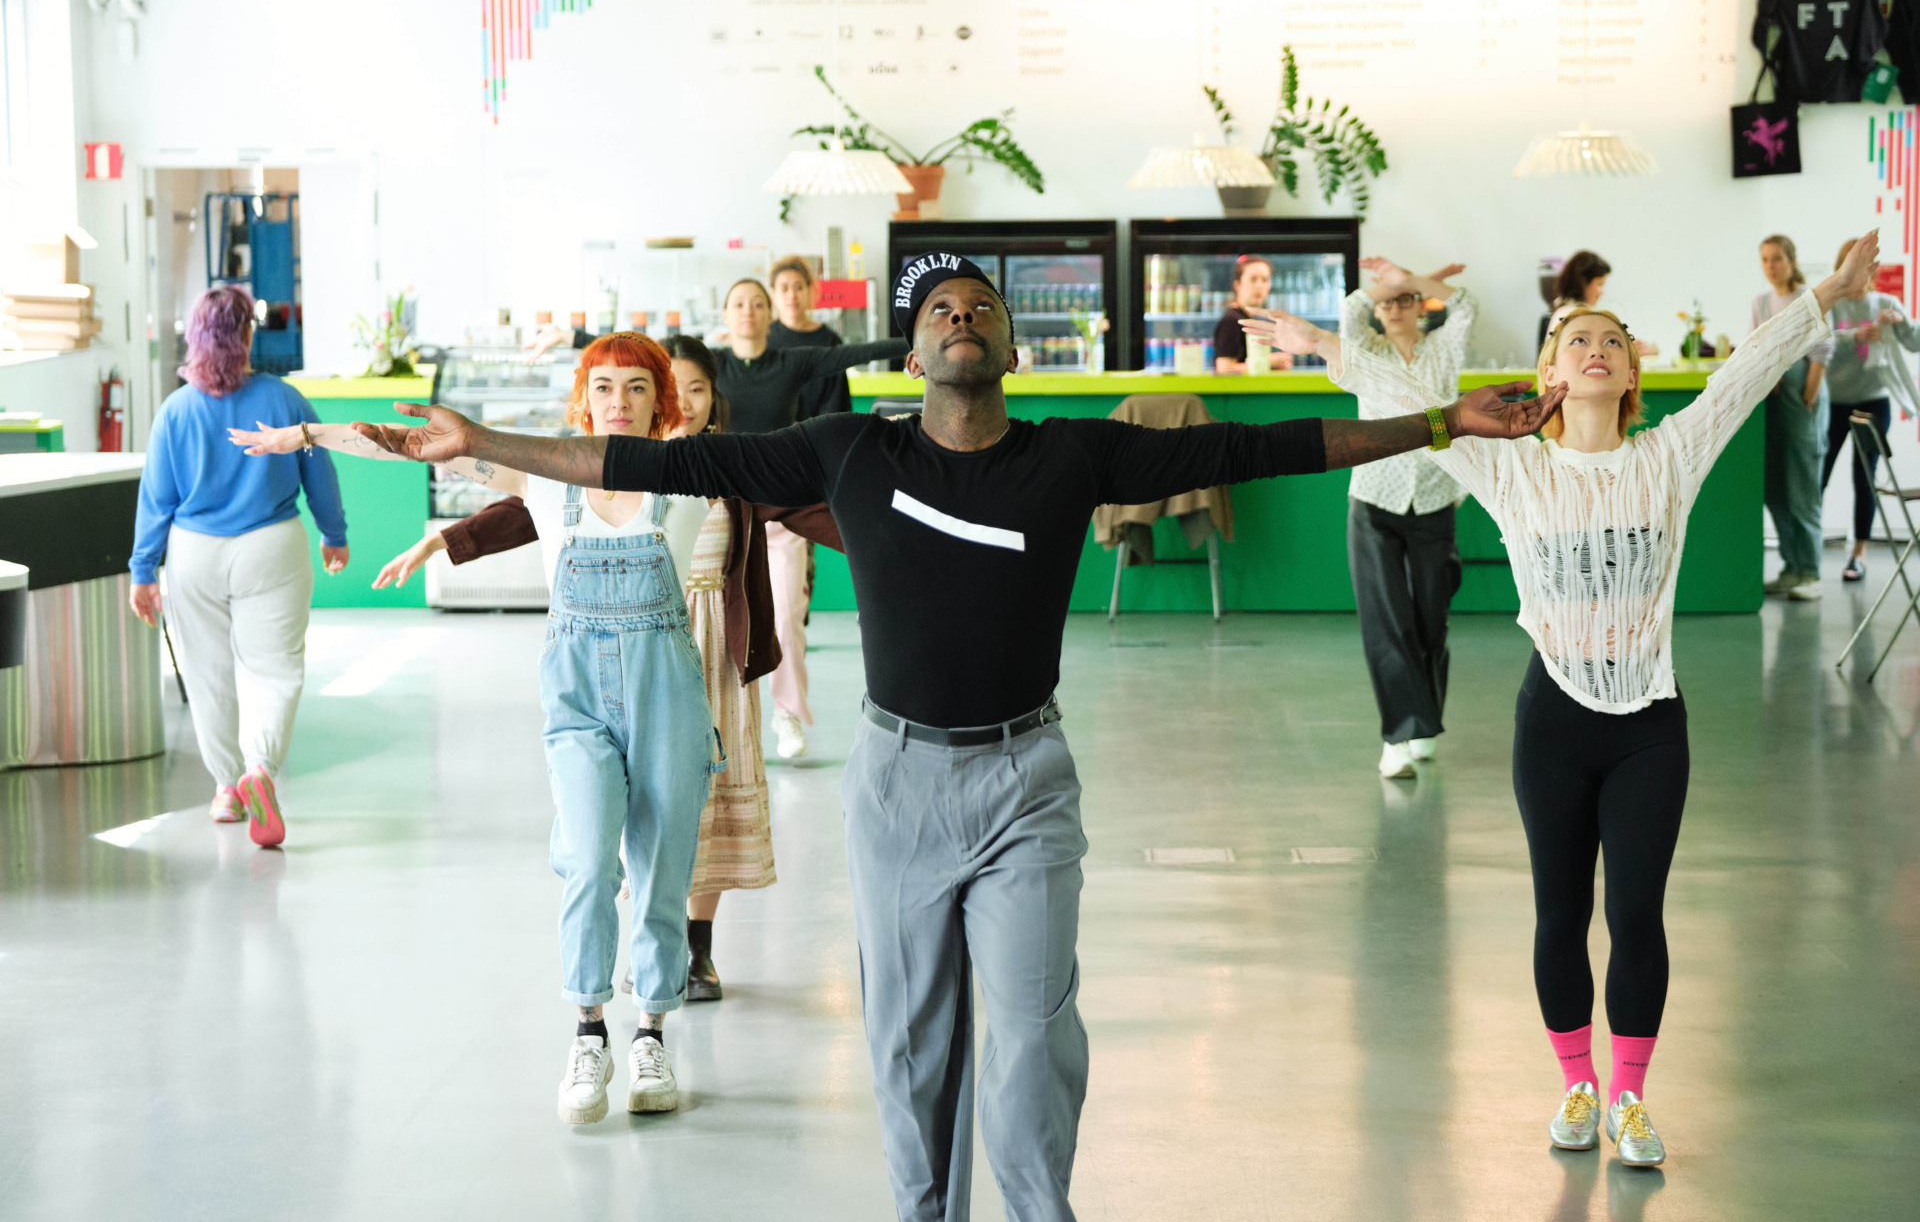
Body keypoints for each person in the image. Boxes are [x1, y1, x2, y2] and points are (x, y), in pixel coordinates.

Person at [349, 253, 1566, 1222]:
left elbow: (1265, 445)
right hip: (896, 782)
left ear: (1011, 347)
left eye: (982, 306)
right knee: (911, 1046)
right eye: (940, 308)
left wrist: (1442, 422)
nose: (962, 317)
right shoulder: (851, 448)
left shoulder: (1071, 453)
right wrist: (482, 442)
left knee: (1031, 1037)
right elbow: (647, 460)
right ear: (914, 346)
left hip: (1028, 777)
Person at [1248, 229, 1882, 1171]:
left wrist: (1826, 291)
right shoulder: (1512, 467)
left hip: (1649, 726)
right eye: (1575, 339)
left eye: (1611, 342)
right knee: (1559, 914)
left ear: (1629, 374)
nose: (1595, 349)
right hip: (1552, 722)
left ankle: (1629, 1098)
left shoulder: (1670, 456)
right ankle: (1577, 1085)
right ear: (1550, 371)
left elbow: (1748, 371)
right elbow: (1408, 405)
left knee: (1637, 915)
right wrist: (1322, 344)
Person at [233, 333, 717, 1125]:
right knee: (588, 858)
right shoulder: (542, 475)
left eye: (636, 387)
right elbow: (419, 445)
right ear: (583, 399)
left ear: (660, 400)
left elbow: (794, 469)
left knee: (663, 871)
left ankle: (652, 1035)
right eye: (603, 387)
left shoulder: (689, 475)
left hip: (668, 697)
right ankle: (589, 1032)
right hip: (578, 702)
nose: (619, 402)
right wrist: (312, 435)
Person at [377, 336, 841, 1003]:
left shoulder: (720, 466)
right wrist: (442, 540)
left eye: (691, 390)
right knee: (620, 813)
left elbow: (806, 505)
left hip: (711, 647)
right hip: (633, 646)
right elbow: (529, 505)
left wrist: (895, 544)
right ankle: (635, 968)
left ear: (697, 400)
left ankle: (694, 948)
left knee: (703, 806)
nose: (679, 403)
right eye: (609, 388)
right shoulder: (602, 469)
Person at [130, 286, 347, 848]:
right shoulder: (285, 400)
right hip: (271, 546)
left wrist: (143, 570)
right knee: (274, 669)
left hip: (194, 552)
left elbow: (156, 498)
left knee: (208, 674)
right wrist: (334, 534)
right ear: (248, 335)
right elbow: (319, 470)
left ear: (195, 338)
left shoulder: (175, 410)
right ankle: (260, 770)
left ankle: (227, 788)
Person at [712, 277, 905, 760]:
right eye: (739, 303)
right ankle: (721, 720)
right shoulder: (711, 365)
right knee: (716, 620)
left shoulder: (790, 363)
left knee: (786, 617)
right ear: (725, 315)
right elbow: (650, 353)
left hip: (783, 511)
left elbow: (852, 354)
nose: (748, 311)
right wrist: (572, 336)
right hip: (722, 513)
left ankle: (788, 712)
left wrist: (917, 338)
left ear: (769, 313)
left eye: (757, 303)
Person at [1339, 256, 1475, 779]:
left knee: (1431, 617)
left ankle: (1425, 720)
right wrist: (1385, 285)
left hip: (1436, 499)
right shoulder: (1366, 354)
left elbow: (1467, 305)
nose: (1395, 308)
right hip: (1374, 499)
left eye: (1405, 300)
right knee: (1387, 619)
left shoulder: (1443, 348)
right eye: (1387, 302)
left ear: (1421, 305)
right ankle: (1398, 734)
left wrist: (1414, 279)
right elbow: (1349, 313)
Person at [1820, 236, 1920, 583]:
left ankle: (1859, 553)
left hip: (1873, 402)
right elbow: (1819, 343)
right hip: (1834, 403)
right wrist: (1857, 336)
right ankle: (1807, 553)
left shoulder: (1885, 302)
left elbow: (1915, 343)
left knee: (1864, 477)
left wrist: (1901, 323)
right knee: (1819, 475)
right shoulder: (1830, 305)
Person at [1755, 233, 1838, 601]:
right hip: (1773, 402)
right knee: (1776, 492)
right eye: (1765, 259)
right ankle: (1791, 568)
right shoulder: (1760, 302)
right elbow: (1756, 345)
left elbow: (1823, 347)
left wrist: (1810, 393)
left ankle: (1810, 572)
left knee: (1803, 492)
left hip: (1803, 399)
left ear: (1791, 261)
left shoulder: (1809, 298)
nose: (1771, 266)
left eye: (1777, 258)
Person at [768, 253, 854, 419]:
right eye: (784, 289)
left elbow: (837, 404)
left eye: (798, 287)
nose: (792, 295)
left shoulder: (829, 341)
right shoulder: (765, 338)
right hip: (774, 433)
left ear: (809, 290)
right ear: (773, 295)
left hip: (819, 432)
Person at [1543, 251, 1660, 358]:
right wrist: (1626, 352)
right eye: (1599, 284)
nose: (1602, 292)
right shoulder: (1573, 315)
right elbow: (1587, 356)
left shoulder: (1569, 312)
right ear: (1583, 282)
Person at [1209, 254, 1293, 374]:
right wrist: (1267, 361)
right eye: (1253, 279)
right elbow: (1224, 369)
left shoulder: (1247, 318)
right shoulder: (1231, 321)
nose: (1259, 286)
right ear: (1237, 285)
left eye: (1264, 280)